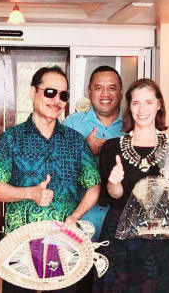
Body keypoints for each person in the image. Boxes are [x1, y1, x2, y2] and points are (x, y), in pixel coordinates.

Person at [0, 65, 101, 293]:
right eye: (50, 92)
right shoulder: (11, 139)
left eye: (63, 95)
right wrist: (30, 193)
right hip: (20, 250)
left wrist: (75, 217)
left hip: (66, 248)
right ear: (33, 92)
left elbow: (94, 185)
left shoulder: (76, 141)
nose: (56, 100)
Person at [94, 78, 169, 293]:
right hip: (121, 237)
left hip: (161, 238)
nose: (142, 109)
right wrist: (114, 183)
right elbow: (113, 196)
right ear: (129, 107)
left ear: (159, 104)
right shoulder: (112, 148)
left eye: (148, 102)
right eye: (136, 103)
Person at [62, 65, 125, 240]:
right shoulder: (72, 124)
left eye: (112, 88)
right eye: (98, 88)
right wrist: (85, 149)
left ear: (121, 93)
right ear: (89, 92)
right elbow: (57, 172)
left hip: (121, 227)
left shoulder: (131, 126)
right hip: (77, 224)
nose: (105, 94)